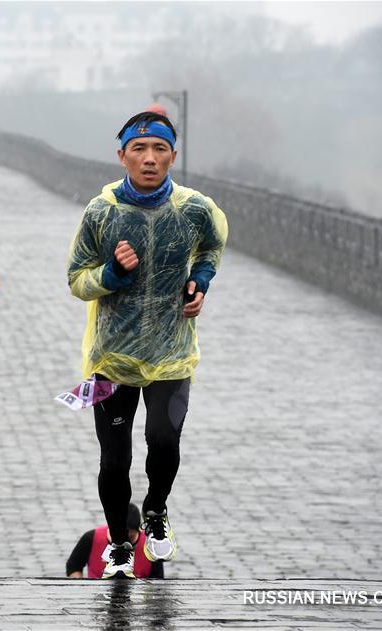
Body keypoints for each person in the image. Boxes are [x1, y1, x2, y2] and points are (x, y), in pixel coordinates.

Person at [66, 111, 228, 579]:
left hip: (172, 353)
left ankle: (155, 510)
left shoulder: (194, 208)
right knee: (114, 462)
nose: (150, 159)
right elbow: (76, 280)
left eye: (159, 149)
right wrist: (113, 276)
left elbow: (213, 245)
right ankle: (119, 539)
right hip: (112, 358)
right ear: (121, 156)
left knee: (163, 437)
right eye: (139, 150)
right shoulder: (101, 213)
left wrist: (200, 280)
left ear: (173, 155)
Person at [66, 504, 164, 579]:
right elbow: (73, 566)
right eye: (119, 536)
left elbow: (157, 580)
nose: (125, 542)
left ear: (138, 530)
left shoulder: (150, 545)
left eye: (131, 537)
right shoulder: (90, 538)